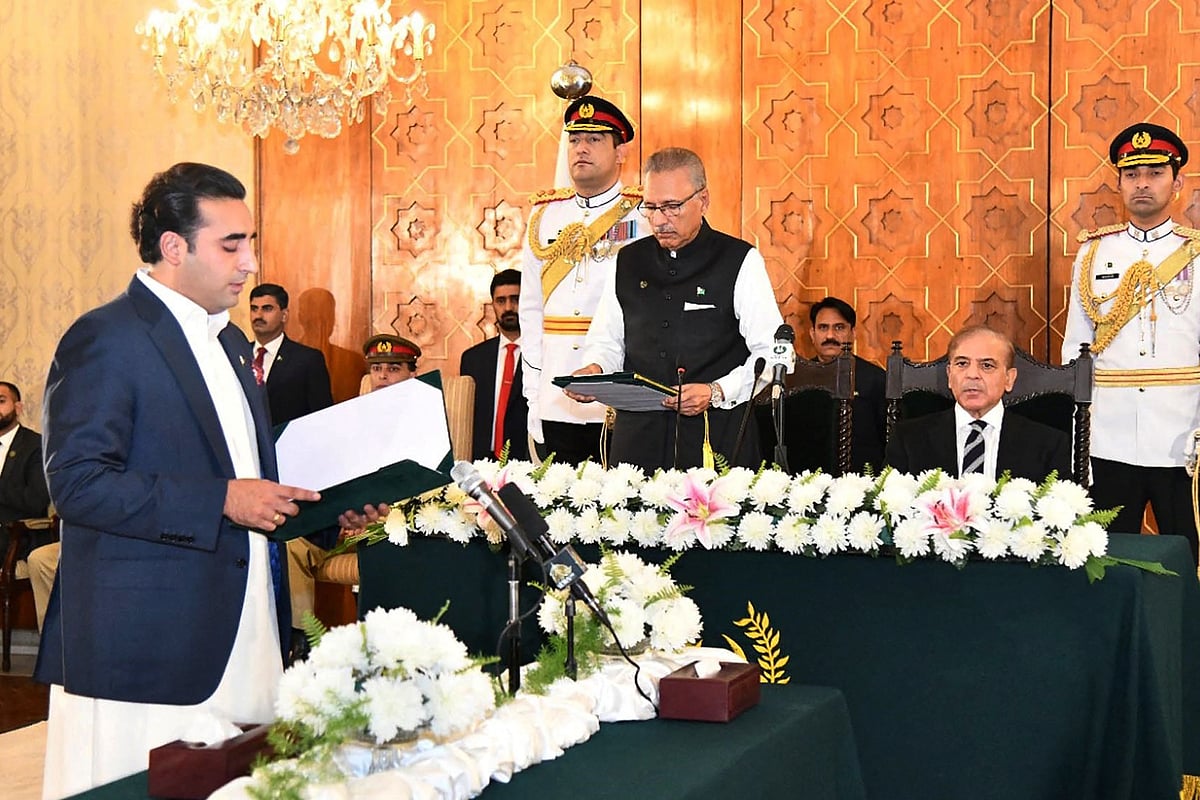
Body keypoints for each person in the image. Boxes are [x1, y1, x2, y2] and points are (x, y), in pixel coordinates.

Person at [34, 162, 379, 797]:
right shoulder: (105, 337)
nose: (249, 264)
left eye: (250, 243)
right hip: (146, 642)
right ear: (173, 247)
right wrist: (222, 499)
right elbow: (77, 484)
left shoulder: (228, 343)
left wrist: (331, 511)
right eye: (231, 244)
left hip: (246, 622)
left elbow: (250, 474)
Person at [572, 147, 784, 471]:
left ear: (703, 200)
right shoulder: (628, 262)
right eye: (651, 207)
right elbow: (607, 341)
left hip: (715, 438)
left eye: (672, 207)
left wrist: (717, 391)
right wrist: (593, 370)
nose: (659, 220)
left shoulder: (740, 260)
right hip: (636, 441)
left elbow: (774, 353)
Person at [1062, 122, 1200, 563]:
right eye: (1132, 174)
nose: (1142, 183)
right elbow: (1076, 349)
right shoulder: (1093, 253)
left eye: (1155, 173)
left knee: (1185, 553)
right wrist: (1078, 434)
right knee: (1105, 555)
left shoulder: (1196, 253)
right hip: (1109, 434)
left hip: (1183, 436)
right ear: (1119, 182)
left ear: (1176, 183)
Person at [519, 95, 647, 465]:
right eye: (575, 139)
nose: (581, 149)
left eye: (594, 139)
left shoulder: (643, 214)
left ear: (620, 151)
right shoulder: (544, 216)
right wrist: (534, 392)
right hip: (556, 392)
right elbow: (531, 311)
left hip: (616, 391)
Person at [885, 326, 1070, 482]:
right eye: (962, 364)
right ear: (949, 376)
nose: (972, 374)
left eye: (987, 366)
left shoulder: (1048, 444)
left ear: (1009, 378)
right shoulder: (908, 439)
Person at [799, 297, 887, 472]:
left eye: (839, 328)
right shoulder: (798, 378)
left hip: (864, 482)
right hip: (808, 483)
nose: (830, 336)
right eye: (823, 328)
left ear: (853, 333)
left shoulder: (876, 379)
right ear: (812, 333)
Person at [461, 269, 529, 461]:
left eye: (516, 299)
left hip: (526, 463)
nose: (508, 307)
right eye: (501, 301)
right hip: (482, 462)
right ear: (493, 305)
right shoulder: (473, 359)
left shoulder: (543, 355)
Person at [248, 282, 334, 427]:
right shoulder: (237, 354)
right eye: (254, 309)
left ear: (284, 315)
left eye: (267, 309)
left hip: (287, 445)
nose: (259, 315)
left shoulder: (308, 360)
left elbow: (322, 417)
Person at [0, 381, 52, 559]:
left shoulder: (35, 446)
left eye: (1, 401)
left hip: (17, 535)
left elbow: (35, 501)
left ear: (18, 407)